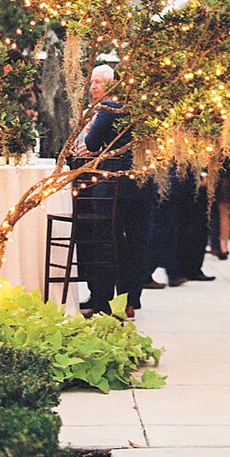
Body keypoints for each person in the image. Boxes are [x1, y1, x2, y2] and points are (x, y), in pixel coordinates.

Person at [79, 64, 156, 318]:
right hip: (144, 182)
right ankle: (131, 300)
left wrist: (94, 148)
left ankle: (102, 300)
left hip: (113, 183)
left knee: (105, 239)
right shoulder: (147, 109)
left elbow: (90, 142)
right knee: (137, 242)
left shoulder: (110, 108)